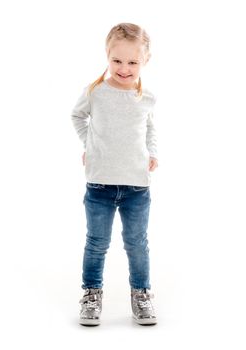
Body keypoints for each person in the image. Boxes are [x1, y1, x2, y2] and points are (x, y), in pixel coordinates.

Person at [71, 23, 159, 326]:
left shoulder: (146, 96)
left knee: (137, 243)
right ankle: (91, 293)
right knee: (96, 242)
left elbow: (150, 128)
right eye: (117, 61)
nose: (124, 68)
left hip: (136, 186)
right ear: (108, 57)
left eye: (132, 62)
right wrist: (89, 144)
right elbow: (77, 116)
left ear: (145, 61)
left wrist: (153, 153)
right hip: (99, 184)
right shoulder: (96, 92)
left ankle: (141, 293)